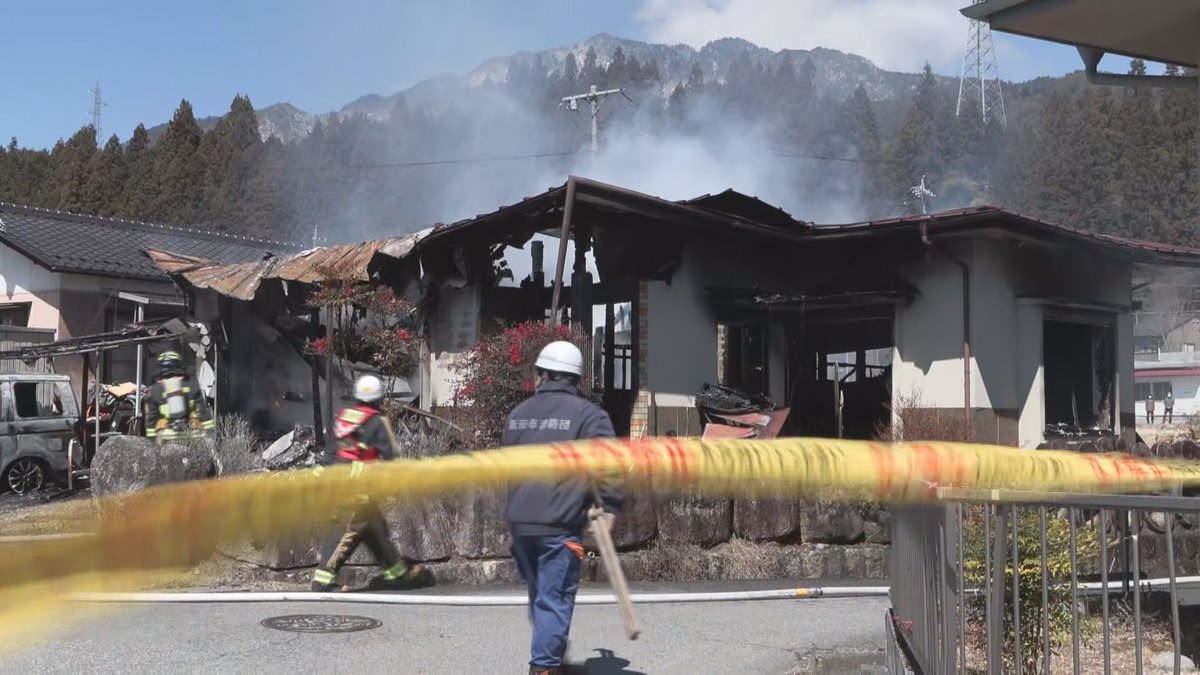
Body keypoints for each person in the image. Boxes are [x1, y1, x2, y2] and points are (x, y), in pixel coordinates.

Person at [503, 341, 624, 675]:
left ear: (541, 375)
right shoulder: (589, 416)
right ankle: (544, 668)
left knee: (542, 597)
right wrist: (610, 506)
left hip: (521, 526)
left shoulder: (517, 416)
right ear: (576, 378)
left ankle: (553, 658)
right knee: (554, 600)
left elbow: (503, 466)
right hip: (559, 526)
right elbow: (609, 467)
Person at [312, 374, 432, 592]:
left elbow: (330, 453)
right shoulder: (377, 422)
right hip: (359, 491)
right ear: (378, 399)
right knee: (349, 532)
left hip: (337, 485)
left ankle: (395, 573)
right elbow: (390, 457)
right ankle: (323, 578)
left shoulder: (343, 417)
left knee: (376, 529)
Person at [145, 351, 214, 445]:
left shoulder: (155, 389)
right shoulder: (192, 383)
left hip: (168, 436)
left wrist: (151, 440)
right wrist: (210, 433)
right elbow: (202, 412)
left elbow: (152, 419)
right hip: (192, 435)